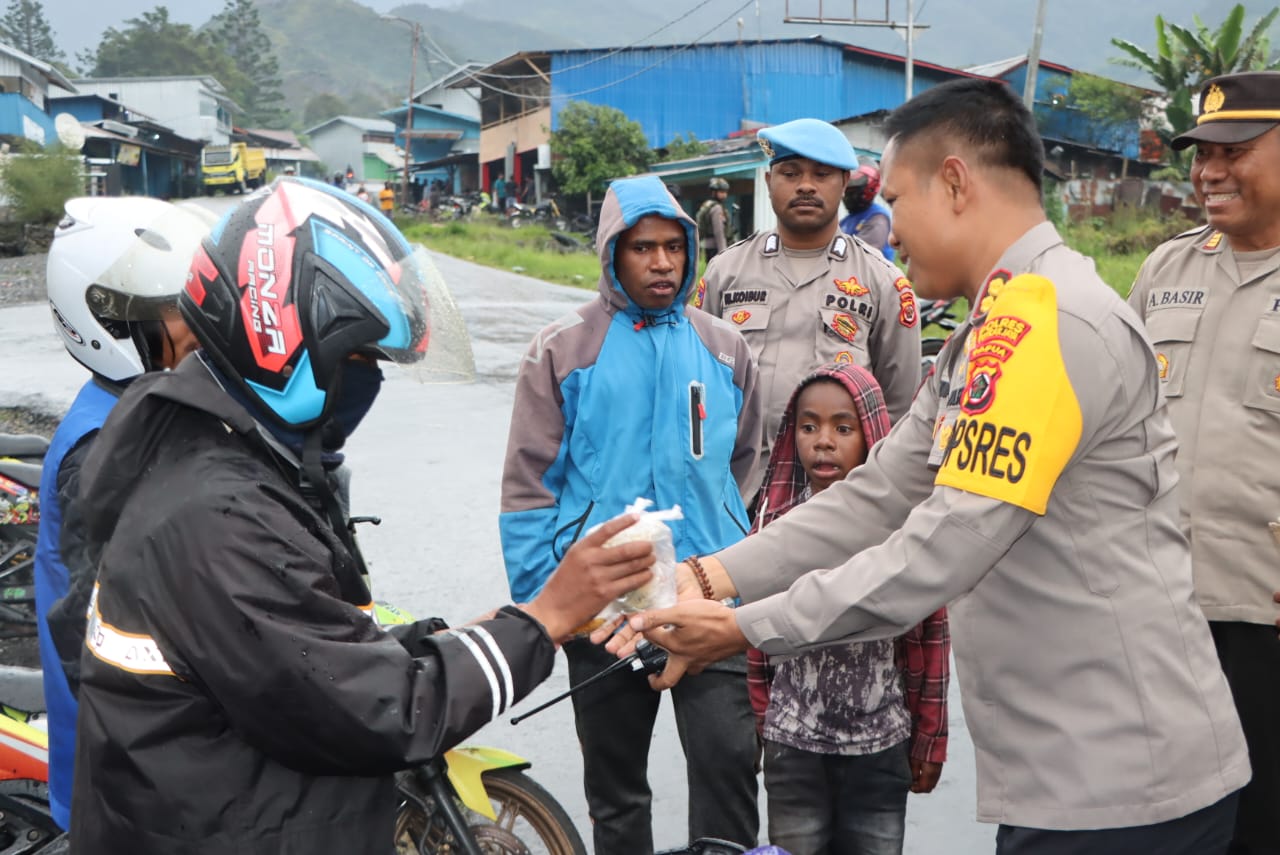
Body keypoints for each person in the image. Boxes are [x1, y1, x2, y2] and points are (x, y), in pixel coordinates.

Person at [610, 78, 1251, 855]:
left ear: (955, 183)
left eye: (895, 199)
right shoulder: (988, 329)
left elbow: (939, 547)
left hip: (1124, 784)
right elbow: (879, 493)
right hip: (1072, 776)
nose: (884, 227)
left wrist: (742, 628)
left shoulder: (1053, 324)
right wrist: (711, 576)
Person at [67, 177, 657, 854]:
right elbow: (381, 710)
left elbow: (306, 646)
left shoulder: (214, 453)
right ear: (283, 346)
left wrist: (481, 632)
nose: (369, 380)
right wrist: (543, 619)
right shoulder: (217, 514)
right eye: (360, 358)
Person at [499, 174, 763, 853]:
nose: (662, 263)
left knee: (728, 771)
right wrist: (545, 603)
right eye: (643, 248)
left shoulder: (725, 347)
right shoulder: (562, 350)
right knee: (617, 793)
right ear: (613, 252)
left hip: (707, 592)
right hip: (604, 604)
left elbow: (746, 460)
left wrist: (727, 550)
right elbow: (530, 481)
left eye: (674, 247)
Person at [1127, 70, 1280, 855]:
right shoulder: (1167, 270)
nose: (1211, 170)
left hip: (1265, 624)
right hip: (1164, 620)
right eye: (1201, 153)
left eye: (1237, 150)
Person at [34, 197, 214, 833]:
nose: (202, 326)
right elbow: (109, 638)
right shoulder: (99, 449)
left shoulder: (144, 408)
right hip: (126, 781)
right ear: (109, 320)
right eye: (178, 311)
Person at [747, 361, 948, 855]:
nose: (823, 441)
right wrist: (761, 724)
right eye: (809, 426)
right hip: (793, 747)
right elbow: (753, 642)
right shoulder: (776, 528)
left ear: (873, 434)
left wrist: (929, 740)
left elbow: (930, 636)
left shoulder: (900, 532)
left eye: (843, 427)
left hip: (880, 749)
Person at [694, 117, 921, 498]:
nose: (805, 185)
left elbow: (897, 411)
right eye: (790, 172)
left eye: (822, 174)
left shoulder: (883, 283)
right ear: (769, 182)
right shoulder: (725, 273)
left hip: (831, 499)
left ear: (844, 183)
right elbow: (694, 385)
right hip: (732, 493)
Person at [840, 161, 895, 262]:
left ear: (867, 191)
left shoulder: (877, 219)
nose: (847, 197)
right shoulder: (847, 220)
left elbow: (860, 256)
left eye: (852, 192)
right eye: (846, 191)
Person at [697, 177, 732, 264]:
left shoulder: (707, 205)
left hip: (708, 246)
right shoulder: (717, 208)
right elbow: (719, 231)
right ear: (714, 192)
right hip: (715, 247)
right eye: (722, 192)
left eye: (725, 192)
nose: (725, 195)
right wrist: (723, 252)